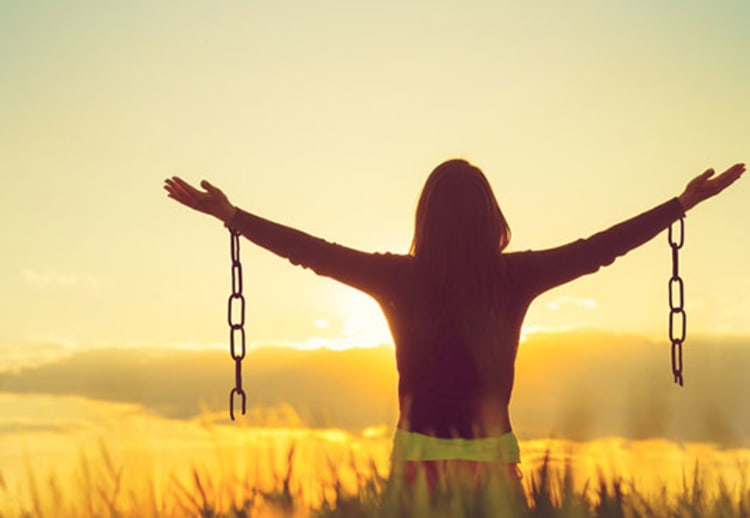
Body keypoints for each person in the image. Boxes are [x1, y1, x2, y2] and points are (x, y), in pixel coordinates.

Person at [163, 159, 745, 488]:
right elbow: (600, 248)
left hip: (414, 476)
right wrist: (679, 205)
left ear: (426, 218)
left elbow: (310, 250)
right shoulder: (511, 278)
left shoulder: (398, 279)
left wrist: (233, 217)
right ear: (491, 218)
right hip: (493, 476)